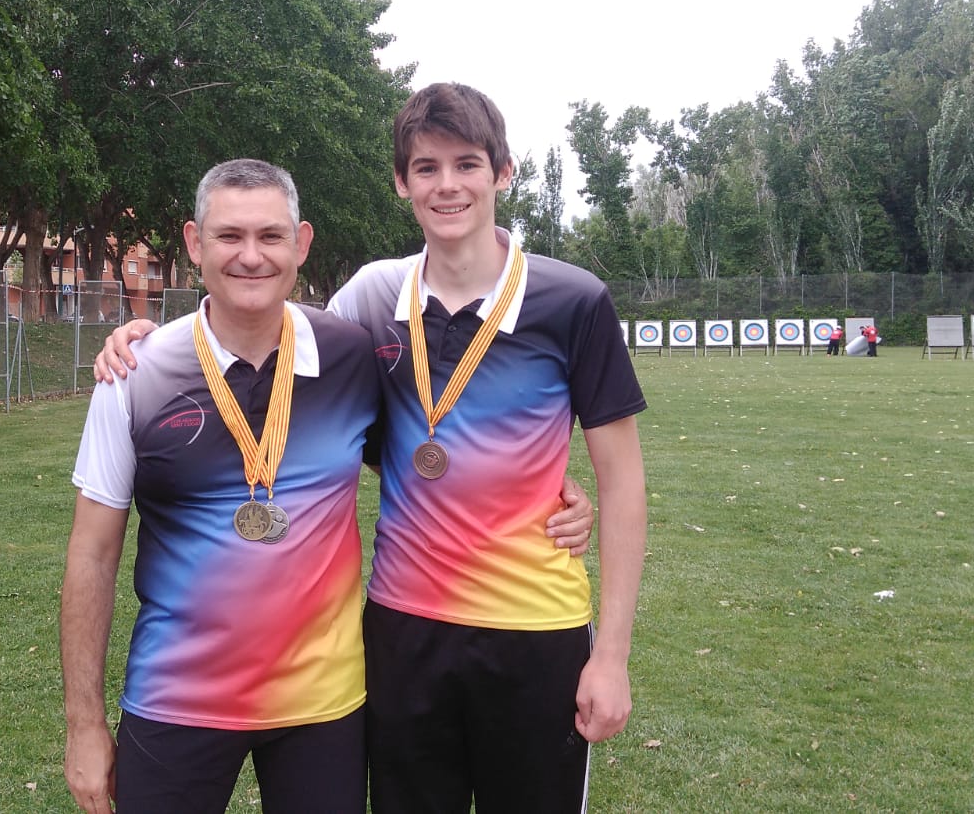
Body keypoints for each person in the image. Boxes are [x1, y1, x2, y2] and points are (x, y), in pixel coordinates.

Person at [98, 83, 647, 813]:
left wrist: (610, 655)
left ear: (503, 172)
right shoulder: (371, 296)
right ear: (401, 181)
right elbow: (268, 321)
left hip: (536, 630)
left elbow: (625, 485)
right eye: (426, 168)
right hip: (401, 629)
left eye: (467, 164)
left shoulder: (573, 301)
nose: (447, 184)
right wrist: (151, 337)